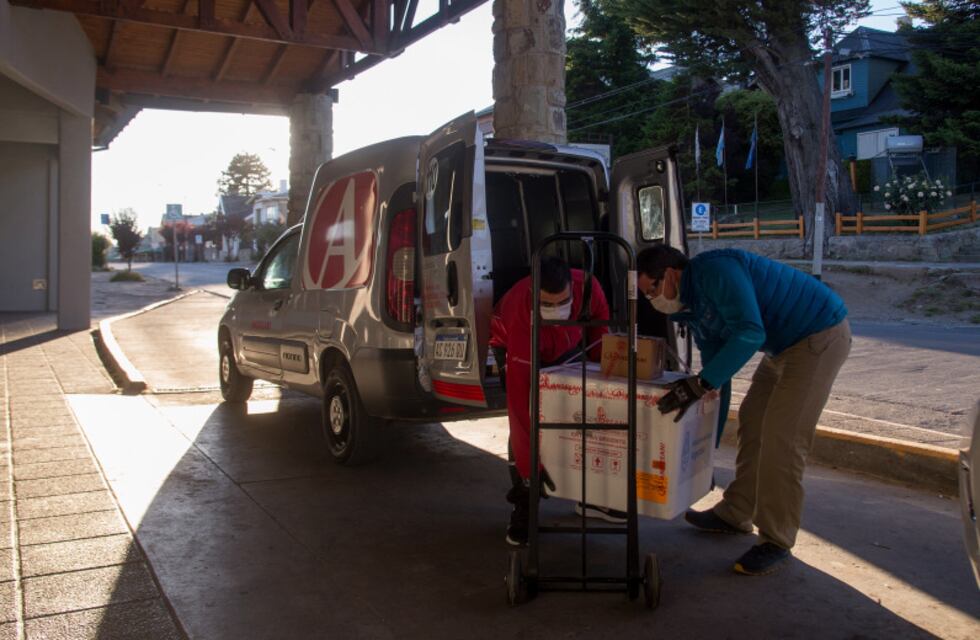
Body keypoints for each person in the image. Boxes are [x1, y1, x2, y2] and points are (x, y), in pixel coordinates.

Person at [637, 245, 850, 576]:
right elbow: (715, 372)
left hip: (817, 336)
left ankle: (777, 539)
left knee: (783, 438)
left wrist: (699, 384)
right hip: (781, 347)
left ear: (671, 274)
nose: (652, 299)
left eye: (652, 289)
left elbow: (750, 333)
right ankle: (736, 512)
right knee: (752, 421)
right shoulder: (691, 305)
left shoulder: (715, 271)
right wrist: (706, 443)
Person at [490, 256, 615, 546]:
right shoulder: (520, 308)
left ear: (573, 288)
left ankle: (595, 496)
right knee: (531, 417)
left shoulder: (589, 287)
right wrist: (528, 467)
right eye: (547, 303)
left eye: (562, 301)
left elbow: (600, 337)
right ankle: (525, 502)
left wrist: (605, 389)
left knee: (577, 409)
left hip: (567, 343)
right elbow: (520, 405)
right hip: (516, 343)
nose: (555, 308)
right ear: (535, 293)